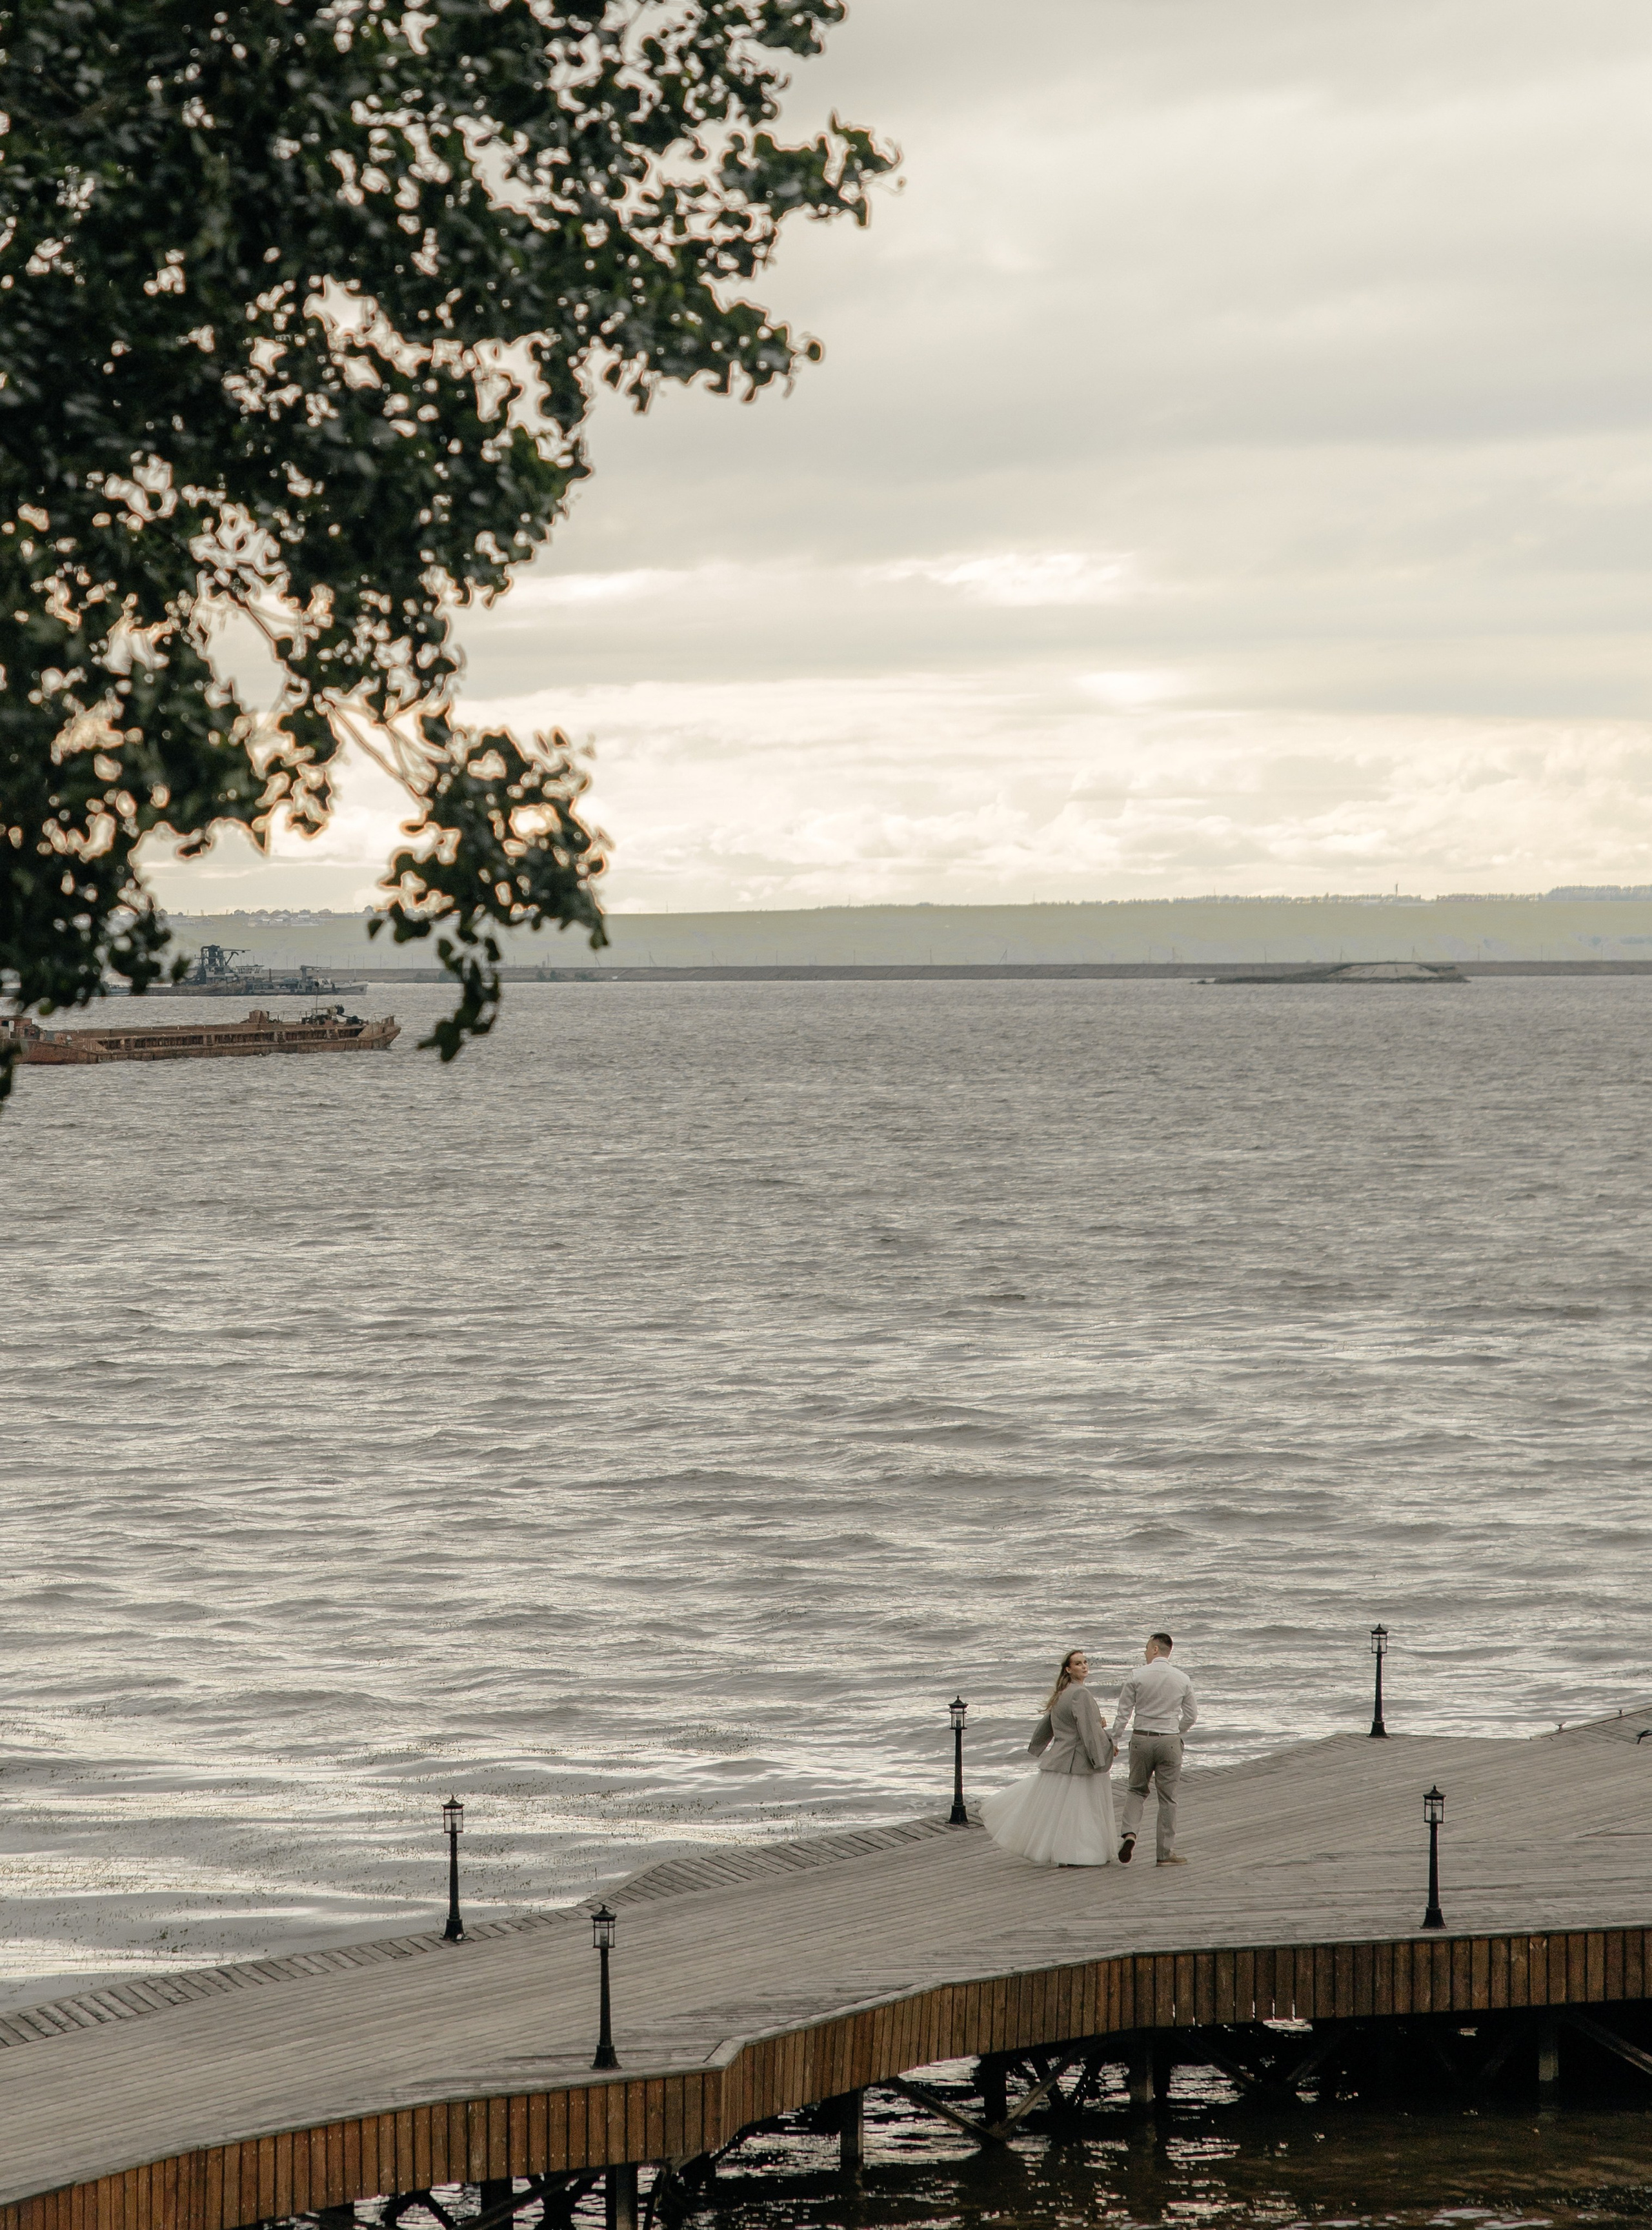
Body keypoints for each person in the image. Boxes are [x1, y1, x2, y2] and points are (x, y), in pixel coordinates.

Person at [979, 1649, 1118, 1865]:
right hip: (1078, 1761)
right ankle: (1079, 1855)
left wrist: (1037, 1746)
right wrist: (1103, 1753)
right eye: (1078, 1663)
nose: (1084, 1666)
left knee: (1061, 1815)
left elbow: (1052, 1724)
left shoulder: (1062, 1694)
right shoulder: (1081, 1694)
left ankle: (1063, 1854)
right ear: (1068, 1669)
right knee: (1080, 1812)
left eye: (1085, 1662)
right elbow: (1087, 1732)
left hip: (1059, 1758)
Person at [1114, 1630, 1197, 1865]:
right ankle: (1164, 1854)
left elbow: (1123, 1714)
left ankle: (1130, 1833)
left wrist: (1114, 1740)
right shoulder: (1182, 1678)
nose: (1145, 1652)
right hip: (1169, 1740)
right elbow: (1192, 1715)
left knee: (1136, 1790)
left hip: (1142, 1738)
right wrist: (1177, 1732)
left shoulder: (1137, 1675)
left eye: (1146, 1648)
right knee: (1168, 1799)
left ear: (1155, 1649)